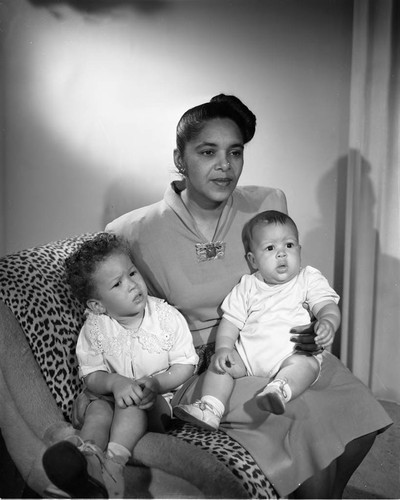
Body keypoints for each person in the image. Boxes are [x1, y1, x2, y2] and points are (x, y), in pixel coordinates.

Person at [106, 93, 392, 498]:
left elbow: (289, 283)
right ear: (179, 158)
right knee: (309, 421)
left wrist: (314, 324)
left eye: (235, 152)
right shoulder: (132, 231)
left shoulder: (268, 203)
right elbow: (134, 318)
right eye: (208, 152)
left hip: (280, 346)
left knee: (361, 411)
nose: (225, 166)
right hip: (212, 366)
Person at [42, 233, 198, 498]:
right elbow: (91, 374)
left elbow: (186, 365)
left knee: (131, 401)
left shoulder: (165, 317)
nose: (132, 285)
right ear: (97, 305)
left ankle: (111, 470)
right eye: (117, 284)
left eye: (133, 273)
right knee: (98, 410)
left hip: (157, 400)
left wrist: (157, 382)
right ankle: (85, 461)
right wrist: (114, 382)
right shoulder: (96, 327)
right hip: (111, 396)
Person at [174, 210, 341, 430]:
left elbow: (326, 305)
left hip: (291, 354)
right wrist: (224, 348)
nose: (281, 254)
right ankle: (211, 408)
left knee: (307, 365)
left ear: (299, 250)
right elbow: (231, 322)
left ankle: (279, 390)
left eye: (289, 245)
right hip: (247, 359)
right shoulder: (247, 286)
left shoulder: (307, 279)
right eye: (270, 248)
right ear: (253, 260)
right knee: (220, 366)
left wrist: (328, 322)